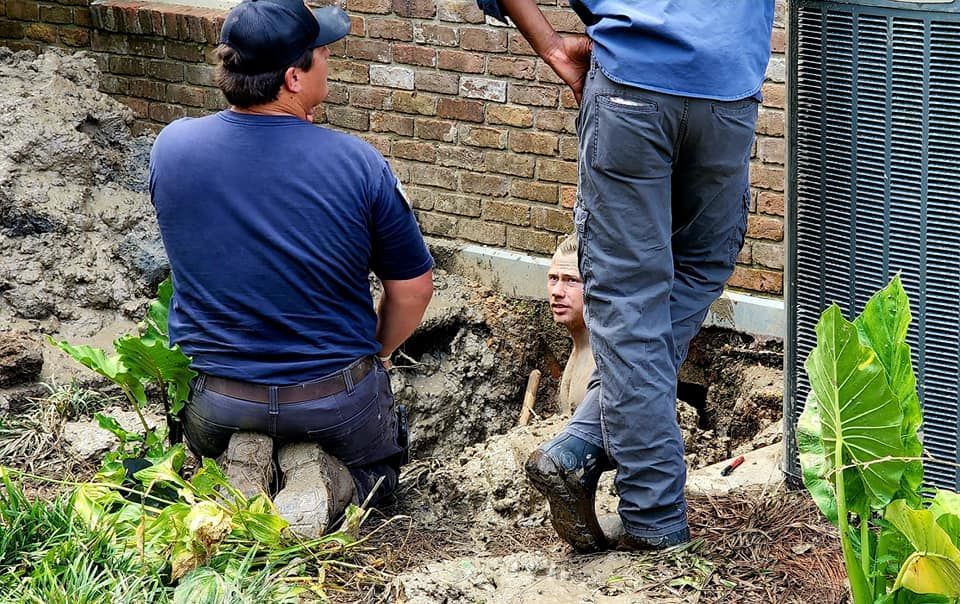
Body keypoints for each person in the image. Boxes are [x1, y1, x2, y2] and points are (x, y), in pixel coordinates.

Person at [476, 0, 774, 552]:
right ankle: (647, 508)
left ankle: (617, 472)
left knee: (630, 298)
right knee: (695, 268)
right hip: (727, 94)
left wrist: (550, 45)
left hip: (630, 88)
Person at [149, 0, 434, 537]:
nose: (329, 60)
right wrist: (379, 354)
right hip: (334, 403)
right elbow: (414, 289)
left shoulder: (173, 147)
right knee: (379, 478)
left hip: (218, 402)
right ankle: (335, 481)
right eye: (322, 52)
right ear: (293, 76)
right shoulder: (358, 163)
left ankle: (240, 468)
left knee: (216, 437)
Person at [548, 234, 594, 415]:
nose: (557, 292)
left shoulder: (602, 362)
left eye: (571, 280)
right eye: (553, 278)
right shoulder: (580, 348)